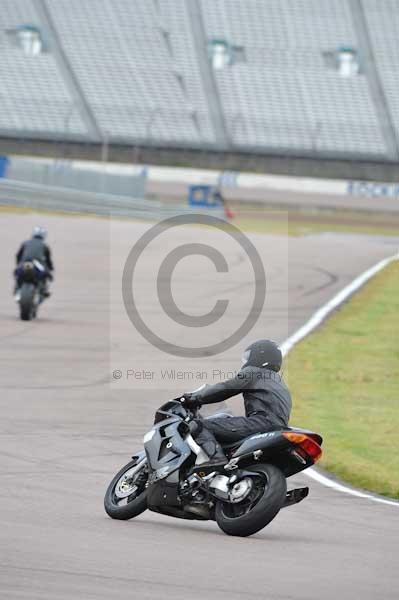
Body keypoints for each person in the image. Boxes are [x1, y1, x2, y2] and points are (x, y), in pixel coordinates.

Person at [181, 339, 292, 471]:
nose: (246, 361)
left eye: (249, 356)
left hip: (260, 423)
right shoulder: (281, 384)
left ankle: (216, 458)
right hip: (279, 429)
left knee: (199, 426)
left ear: (260, 355)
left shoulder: (254, 372)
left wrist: (194, 398)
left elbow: (226, 388)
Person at [14, 226, 54, 297]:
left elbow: (18, 255)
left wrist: (18, 264)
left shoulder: (25, 243)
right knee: (46, 274)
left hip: (24, 262)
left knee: (17, 272)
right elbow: (48, 260)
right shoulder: (45, 246)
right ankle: (44, 290)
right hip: (37, 263)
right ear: (43, 235)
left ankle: (17, 288)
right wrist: (50, 268)